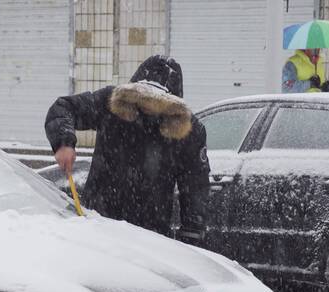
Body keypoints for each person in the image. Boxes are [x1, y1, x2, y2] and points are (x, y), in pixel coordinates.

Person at [45, 55, 210, 241]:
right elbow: (64, 108)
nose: (149, 107)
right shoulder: (111, 104)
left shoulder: (189, 131)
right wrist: (63, 143)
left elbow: (195, 185)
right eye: (143, 98)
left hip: (150, 235)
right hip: (98, 223)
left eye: (159, 102)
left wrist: (192, 232)